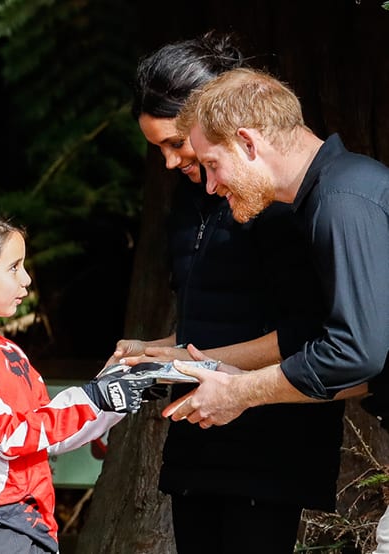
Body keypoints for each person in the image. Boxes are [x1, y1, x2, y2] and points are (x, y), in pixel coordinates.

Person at [106, 32, 347, 554]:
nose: (170, 163)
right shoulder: (188, 202)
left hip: (267, 442)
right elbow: (217, 317)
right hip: (199, 436)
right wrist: (156, 351)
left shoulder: (275, 201)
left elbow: (307, 333)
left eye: (177, 143)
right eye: (159, 150)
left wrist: (187, 363)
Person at [161, 65, 389, 552]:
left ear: (247, 142)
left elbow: (356, 352)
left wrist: (239, 393)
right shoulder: (332, 194)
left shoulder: (341, 199)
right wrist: (217, 370)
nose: (210, 186)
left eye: (213, 164)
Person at [0, 209, 158, 554]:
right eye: (13, 267)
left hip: (31, 518)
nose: (27, 280)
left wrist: (117, 390)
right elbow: (7, 435)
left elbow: (48, 432)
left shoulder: (8, 349)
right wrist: (96, 397)